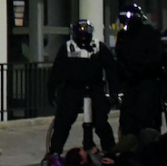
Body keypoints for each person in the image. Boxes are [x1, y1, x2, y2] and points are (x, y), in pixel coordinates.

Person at [46, 20, 118, 156]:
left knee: (101, 123)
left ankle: (110, 152)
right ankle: (54, 153)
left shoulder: (98, 47)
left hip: (95, 89)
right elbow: (57, 71)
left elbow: (111, 69)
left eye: (86, 36)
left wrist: (114, 90)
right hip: (73, 89)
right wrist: (51, 89)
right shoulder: (67, 48)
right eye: (81, 36)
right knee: (63, 122)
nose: (83, 39)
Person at [115, 3, 163, 137]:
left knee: (139, 122)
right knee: (138, 122)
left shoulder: (147, 34)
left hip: (143, 84)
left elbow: (155, 59)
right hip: (140, 84)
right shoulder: (125, 36)